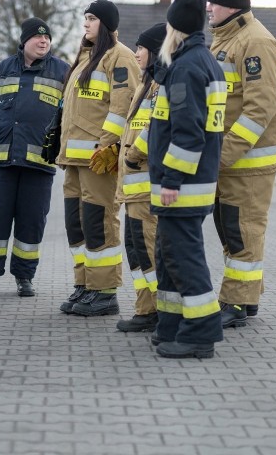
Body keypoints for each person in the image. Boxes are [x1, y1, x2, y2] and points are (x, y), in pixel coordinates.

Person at [206, 0, 276, 329]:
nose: (208, 7)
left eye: (215, 2)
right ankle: (248, 296)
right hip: (229, 159)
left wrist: (223, 154)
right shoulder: (225, 40)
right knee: (231, 229)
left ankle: (237, 303)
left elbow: (260, 109)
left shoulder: (256, 42)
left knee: (244, 231)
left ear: (233, 6)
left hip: (248, 161)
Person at [147, 0, 225, 359]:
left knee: (185, 260)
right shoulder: (202, 61)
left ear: (174, 27)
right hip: (195, 183)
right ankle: (172, 326)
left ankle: (199, 334)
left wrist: (172, 181)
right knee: (171, 258)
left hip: (182, 186)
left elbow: (189, 131)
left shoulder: (188, 67)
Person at [0, 18, 69, 298]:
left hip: (39, 166)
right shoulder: (3, 70)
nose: (43, 42)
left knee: (31, 223)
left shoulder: (63, 72)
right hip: (4, 163)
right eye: (38, 38)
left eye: (47, 38)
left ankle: (24, 277)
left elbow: (71, 115)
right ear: (24, 41)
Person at [56, 0, 140, 317]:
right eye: (85, 19)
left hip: (98, 160)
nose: (86, 24)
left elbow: (122, 107)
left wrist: (107, 148)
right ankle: (86, 284)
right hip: (75, 162)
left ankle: (104, 291)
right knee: (76, 224)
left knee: (100, 223)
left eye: (92, 19)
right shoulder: (85, 58)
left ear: (106, 24)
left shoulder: (121, 58)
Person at [114, 22, 166, 333]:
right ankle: (145, 308)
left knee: (147, 248)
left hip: (147, 187)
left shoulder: (161, 86)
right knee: (136, 248)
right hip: (134, 188)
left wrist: (132, 154)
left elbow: (155, 129)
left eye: (142, 48)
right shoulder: (145, 85)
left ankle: (157, 310)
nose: (136, 54)